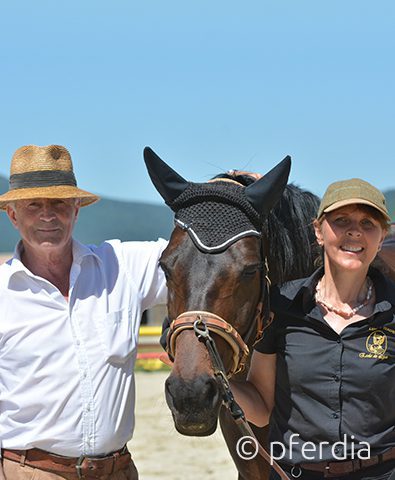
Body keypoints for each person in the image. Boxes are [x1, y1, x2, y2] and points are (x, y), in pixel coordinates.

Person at [0, 145, 167, 480]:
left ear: (76, 210)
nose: (48, 215)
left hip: (118, 471)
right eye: (34, 205)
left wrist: (231, 188)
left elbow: (200, 253)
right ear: (14, 215)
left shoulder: (122, 267)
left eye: (59, 203)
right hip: (29, 472)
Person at [231, 178, 395, 479]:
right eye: (341, 220)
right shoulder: (280, 306)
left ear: (382, 235)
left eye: (368, 223)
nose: (355, 231)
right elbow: (262, 407)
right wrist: (214, 377)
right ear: (318, 231)